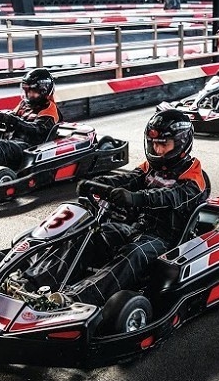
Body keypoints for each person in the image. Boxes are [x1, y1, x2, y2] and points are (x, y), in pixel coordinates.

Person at [71, 109, 209, 307]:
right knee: (90, 233)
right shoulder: (151, 167)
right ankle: (38, 280)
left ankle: (77, 299)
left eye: (163, 144)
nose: (157, 150)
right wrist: (97, 182)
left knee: (133, 253)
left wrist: (136, 198)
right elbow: (127, 178)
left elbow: (170, 196)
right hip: (136, 228)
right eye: (154, 143)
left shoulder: (194, 176)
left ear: (181, 143)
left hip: (165, 241)